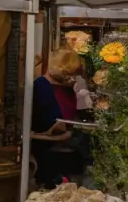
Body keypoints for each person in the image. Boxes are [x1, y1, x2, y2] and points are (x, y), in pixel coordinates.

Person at [30, 47, 88, 187]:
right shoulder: (41, 86)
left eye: (74, 75)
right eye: (69, 75)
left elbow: (72, 113)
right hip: (49, 151)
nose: (71, 79)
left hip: (67, 150)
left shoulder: (66, 89)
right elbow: (43, 120)